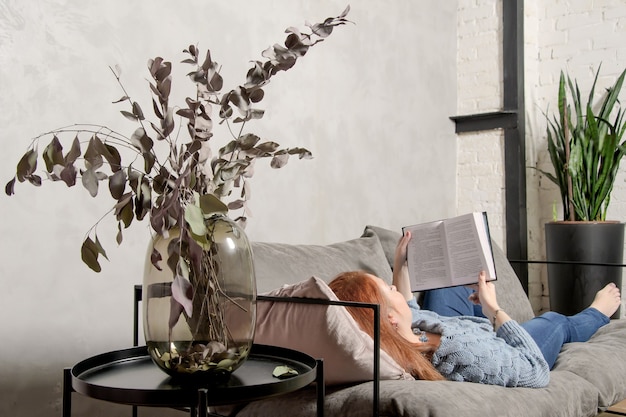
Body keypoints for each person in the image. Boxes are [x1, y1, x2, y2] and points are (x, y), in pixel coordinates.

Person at [329, 231, 621, 387]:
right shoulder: (461, 352)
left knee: (446, 283)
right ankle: (596, 313)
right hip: (498, 342)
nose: (394, 288)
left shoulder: (398, 336)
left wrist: (401, 263)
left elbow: (408, 309)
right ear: (389, 320)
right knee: (555, 322)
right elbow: (536, 373)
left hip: (451, 326)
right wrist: (495, 309)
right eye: (388, 289)